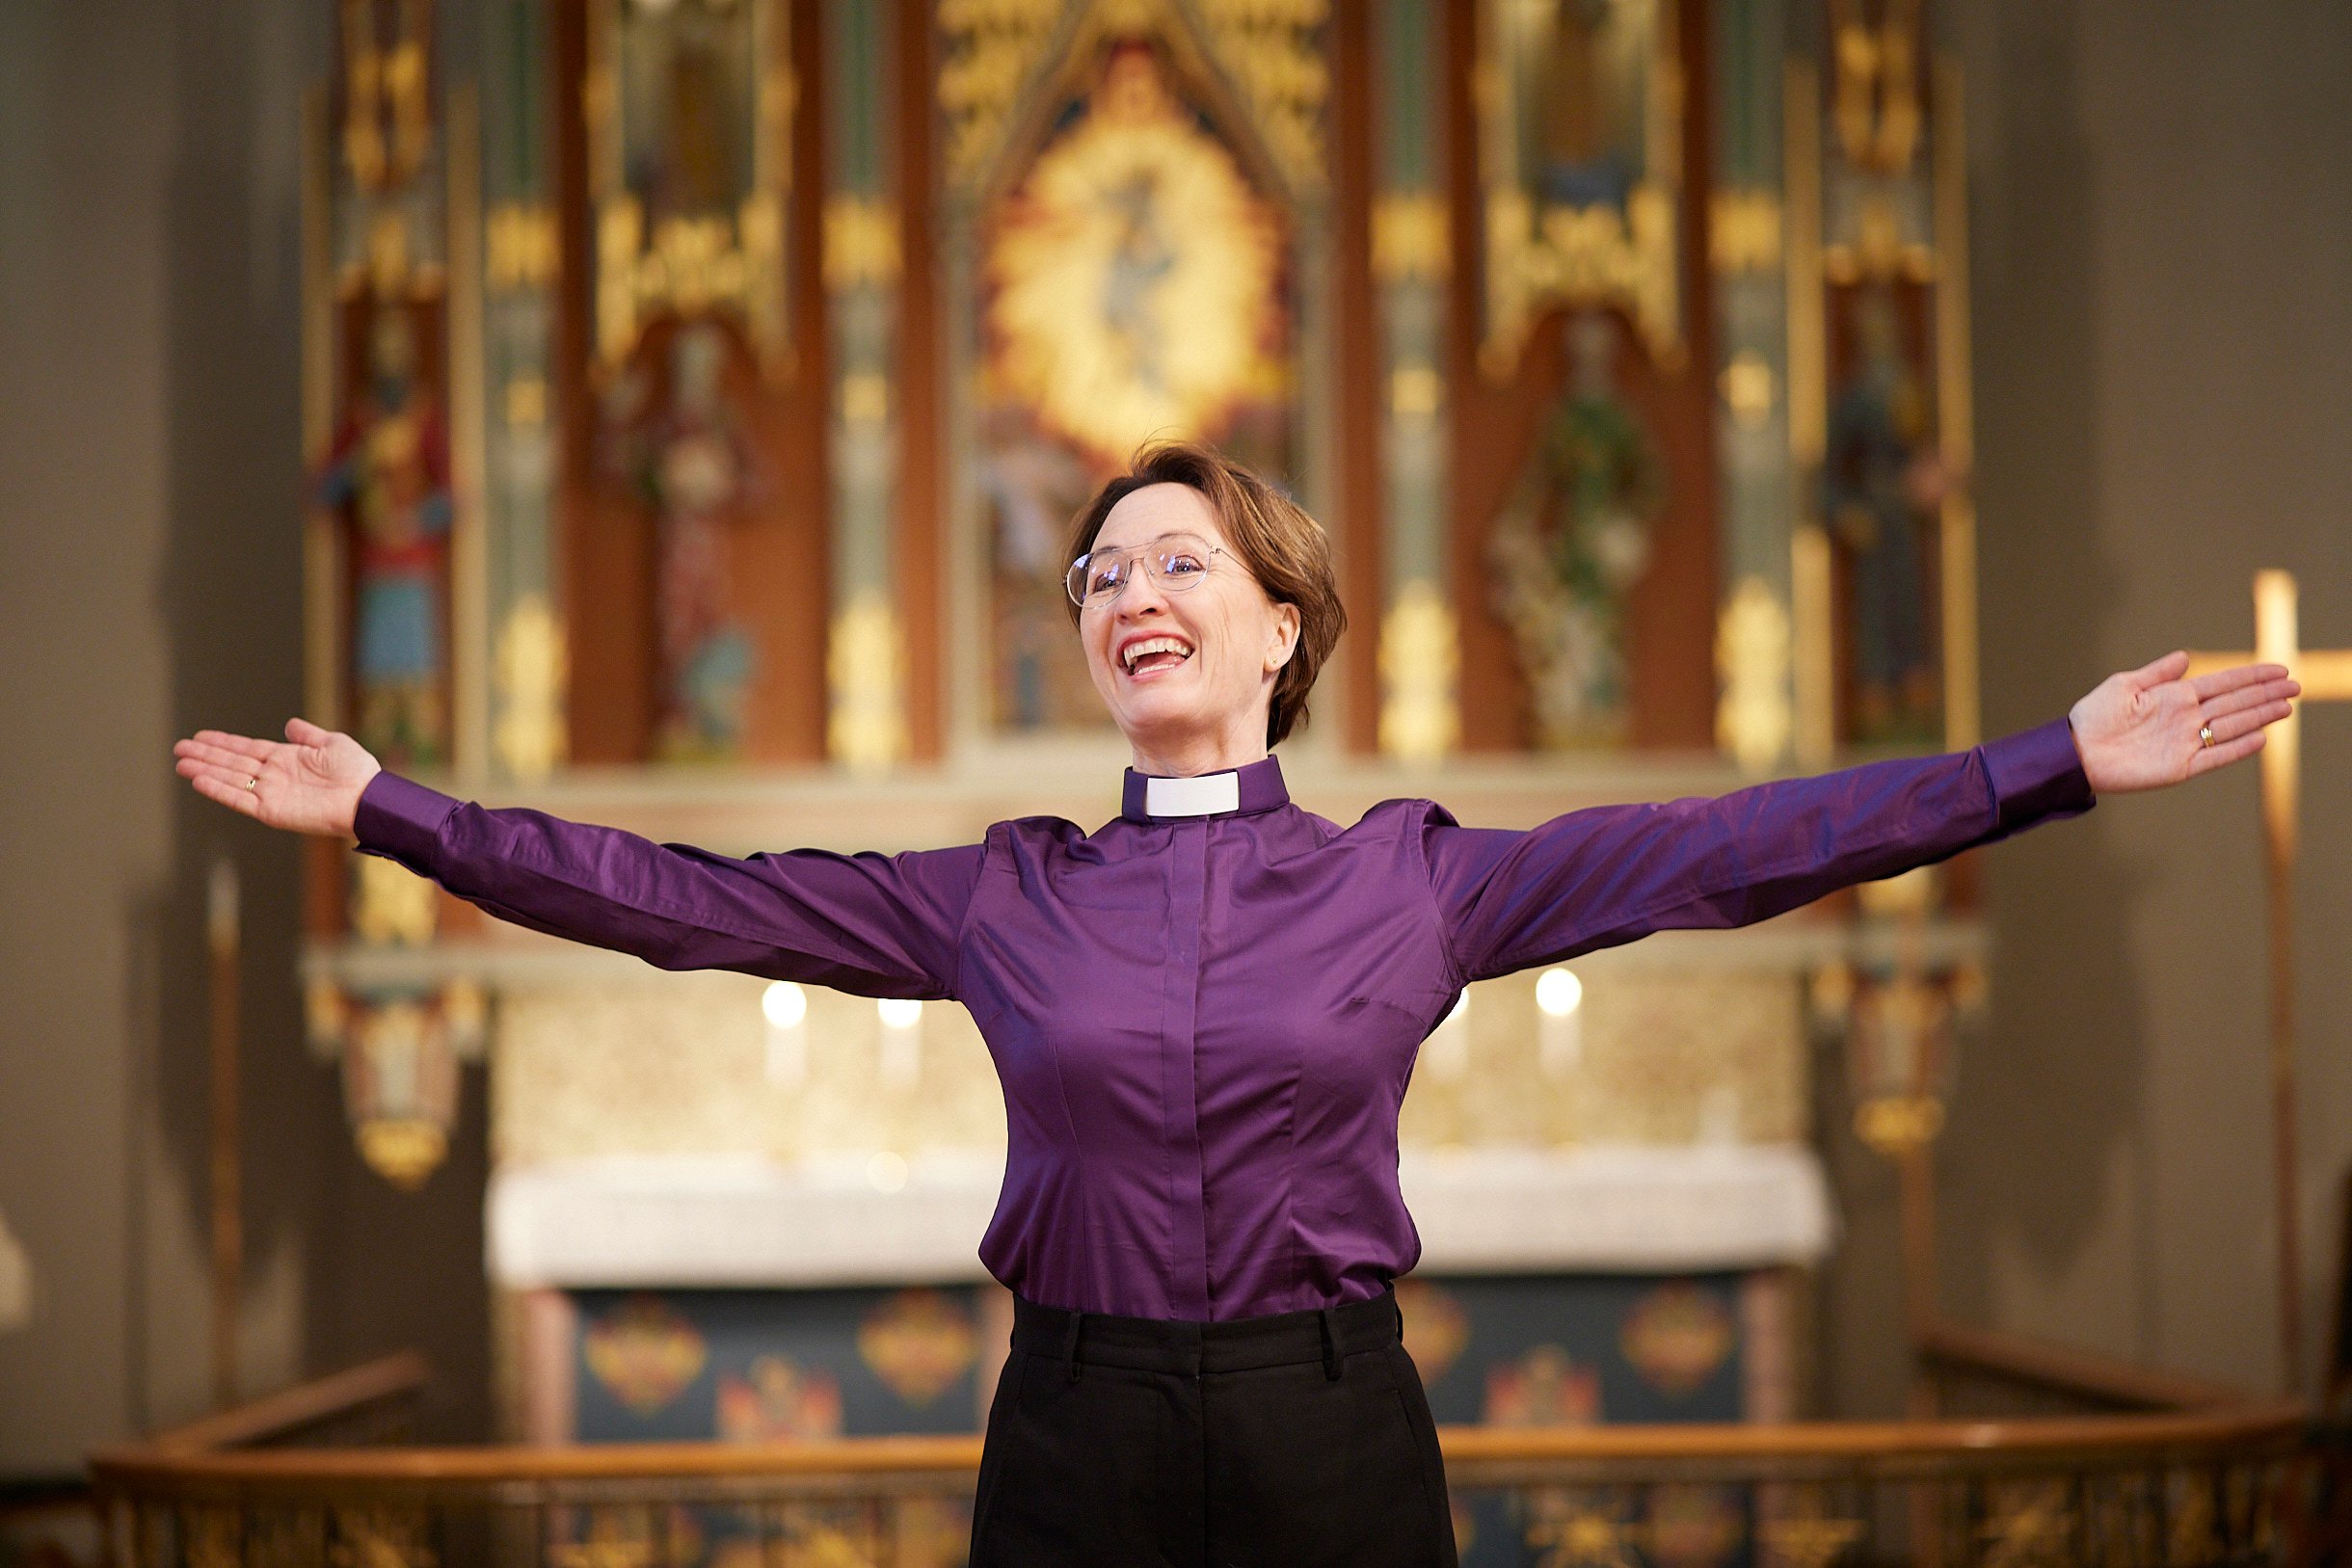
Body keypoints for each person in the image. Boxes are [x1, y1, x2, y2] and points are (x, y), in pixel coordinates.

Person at [175, 440, 2297, 1568]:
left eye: (1177, 559)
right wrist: (397, 814)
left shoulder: (1412, 878)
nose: (1130, 592)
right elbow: (685, 904)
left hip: (1327, 1432)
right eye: (1100, 572)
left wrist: (2043, 763)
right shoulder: (1006, 893)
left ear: (1281, 626)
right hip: (1073, 1433)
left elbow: (1735, 843)